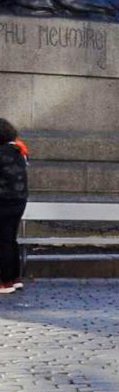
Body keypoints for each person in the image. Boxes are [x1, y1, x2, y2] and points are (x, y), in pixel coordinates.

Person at [0, 119, 27, 299]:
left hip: (3, 201)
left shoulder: (1, 152)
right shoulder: (19, 152)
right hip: (18, 201)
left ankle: (4, 281)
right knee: (10, 240)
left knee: (2, 242)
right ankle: (15, 277)